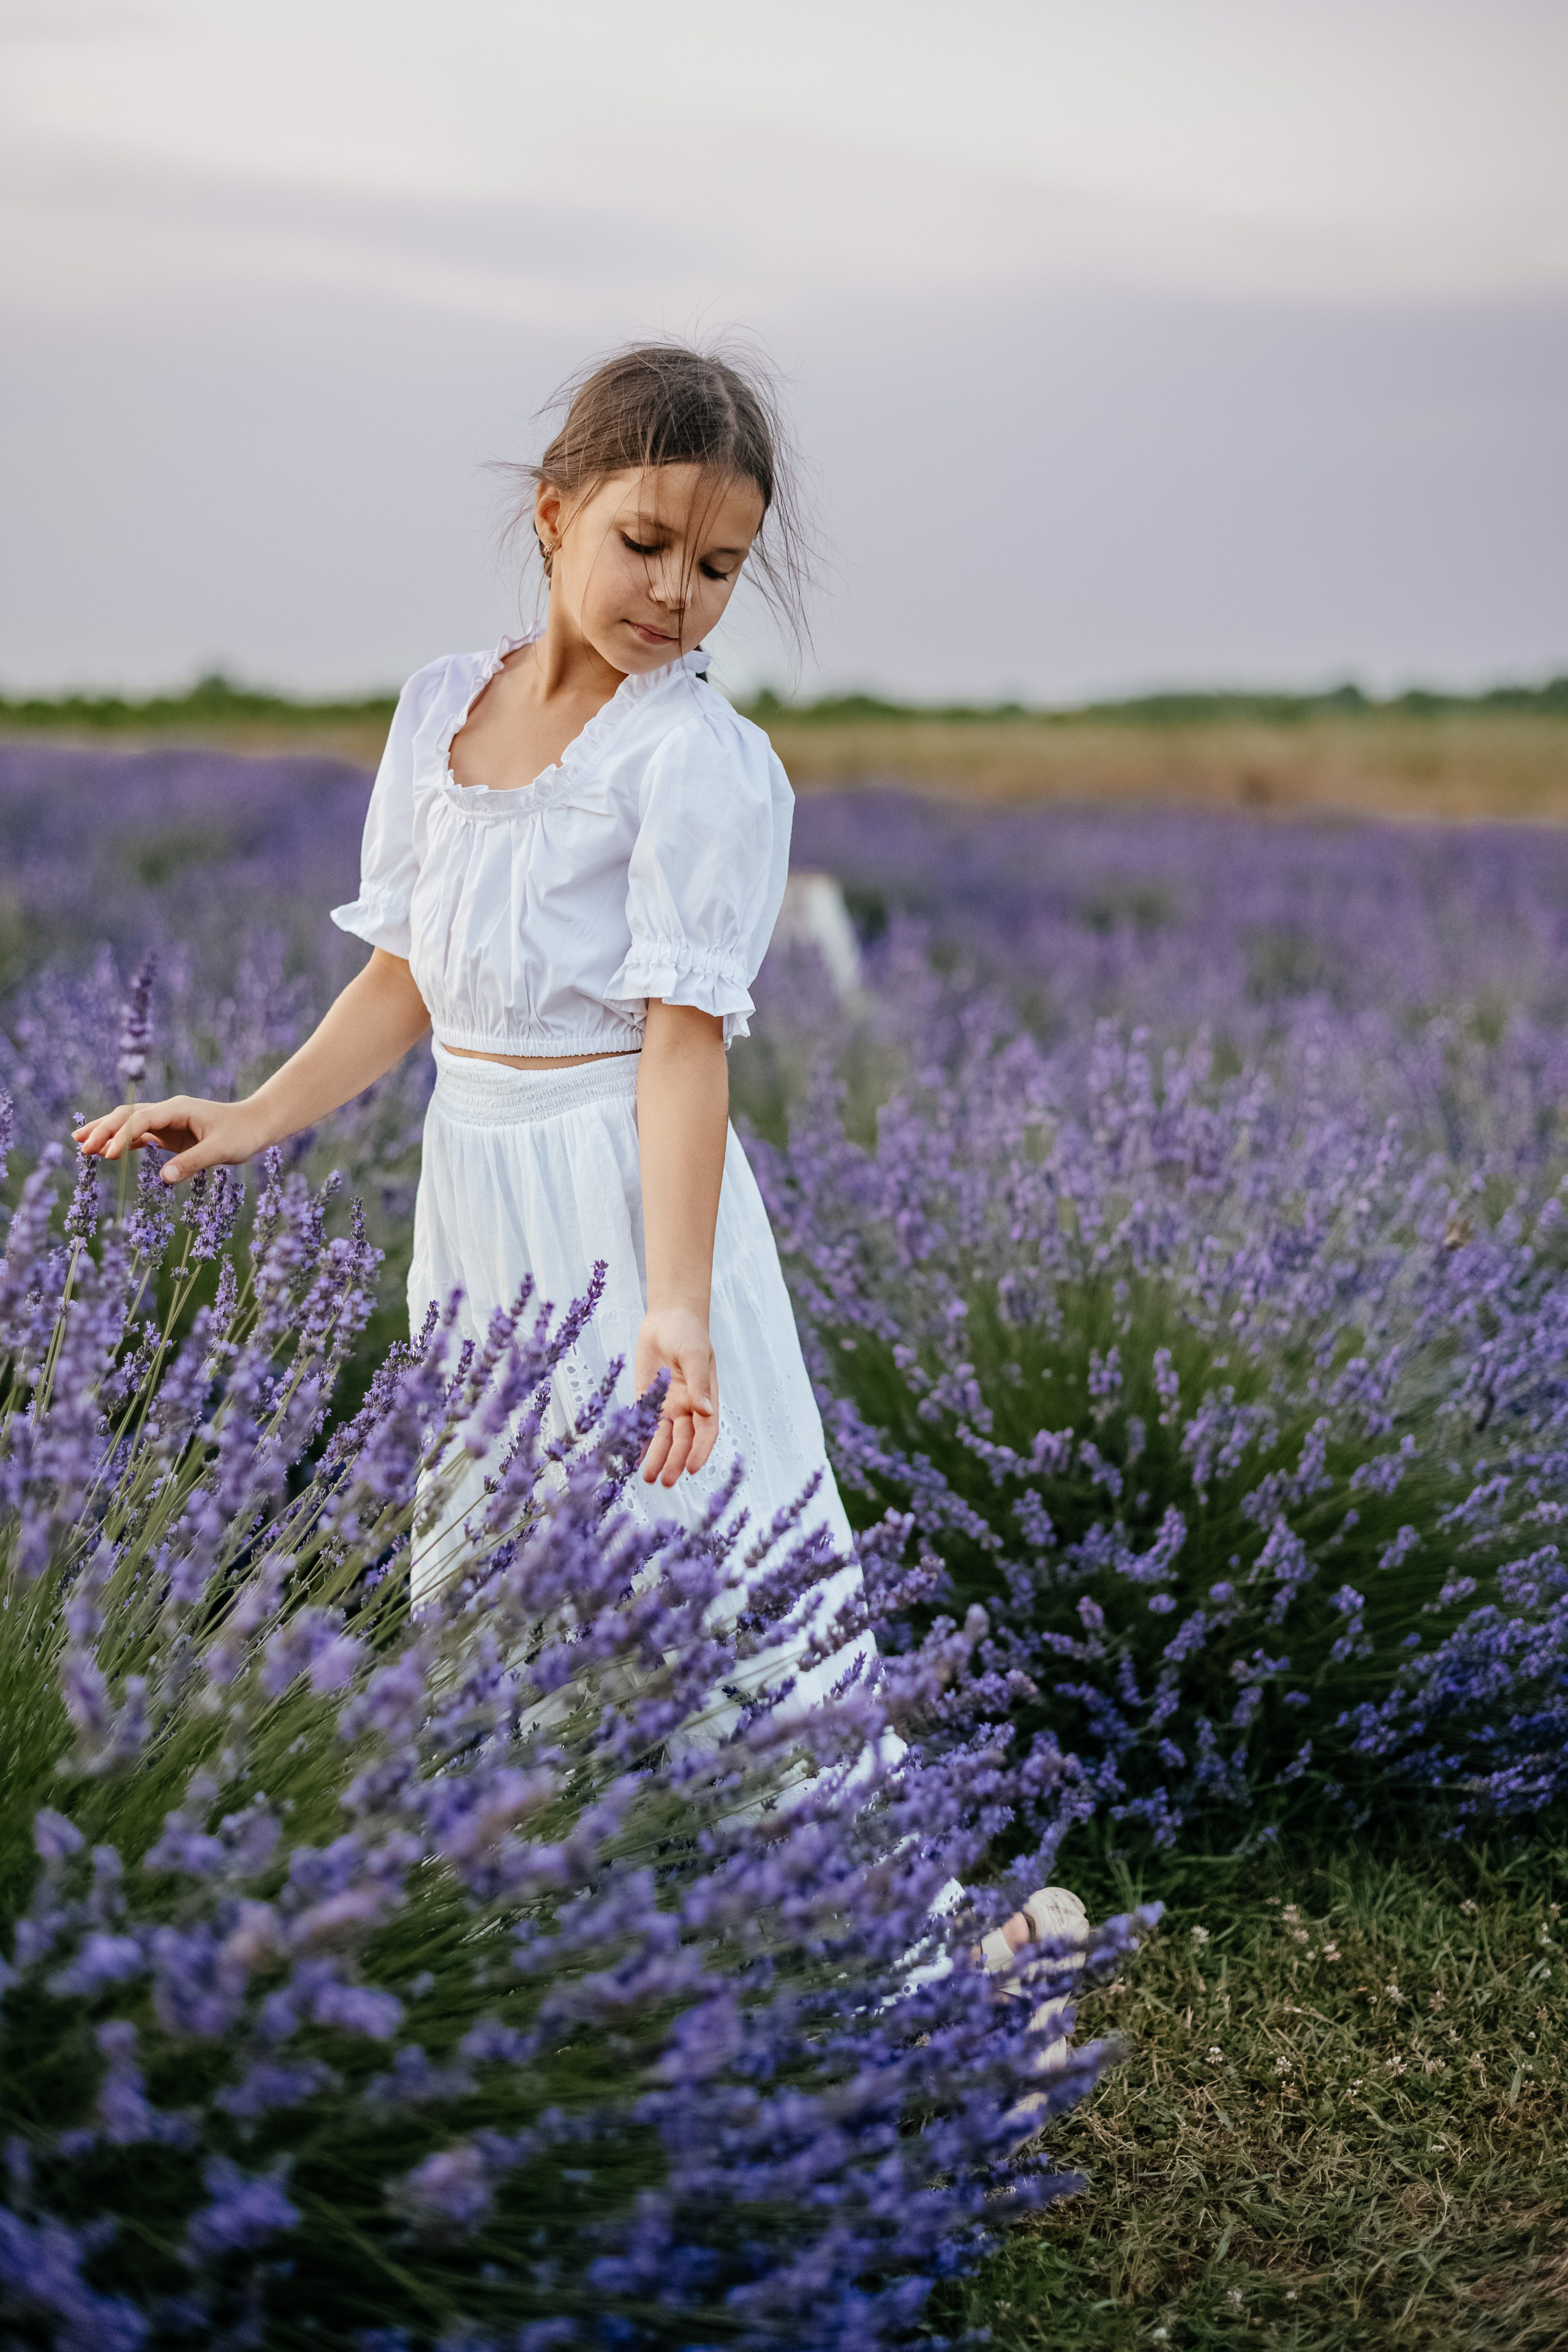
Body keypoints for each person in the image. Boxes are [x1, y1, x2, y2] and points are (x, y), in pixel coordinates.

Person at [74, 339, 1079, 1980]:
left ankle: (890, 1963)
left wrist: (674, 1308)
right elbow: (409, 975)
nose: (675, 592)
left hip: (628, 1211)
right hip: (476, 1197)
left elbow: (685, 1053)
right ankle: (561, 1930)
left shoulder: (695, 761)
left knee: (716, 1558)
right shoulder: (442, 713)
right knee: (500, 1549)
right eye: (645, 543)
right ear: (554, 518)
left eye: (717, 568)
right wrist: (255, 1113)